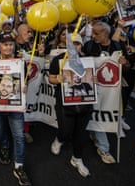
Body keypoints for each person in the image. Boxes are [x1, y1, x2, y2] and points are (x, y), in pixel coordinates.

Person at [82, 20, 130, 164]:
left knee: (103, 113)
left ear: (106, 33)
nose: (93, 36)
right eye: (93, 33)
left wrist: (124, 63)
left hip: (111, 90)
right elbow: (81, 66)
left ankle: (98, 139)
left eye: (97, 33)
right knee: (96, 114)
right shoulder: (89, 45)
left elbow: (127, 67)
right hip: (93, 87)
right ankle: (104, 147)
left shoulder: (118, 46)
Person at [0, 32, 31, 186]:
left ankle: (19, 166)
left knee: (19, 136)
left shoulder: (20, 61)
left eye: (10, 44)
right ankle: (5, 146)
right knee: (0, 130)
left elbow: (25, 80)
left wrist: (26, 86)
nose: (8, 47)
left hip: (15, 104)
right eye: (5, 44)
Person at [48, 33, 92, 177]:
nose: (74, 47)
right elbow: (51, 79)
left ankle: (77, 158)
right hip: (65, 102)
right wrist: (58, 79)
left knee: (81, 133)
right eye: (71, 44)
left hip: (85, 103)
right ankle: (59, 139)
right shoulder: (58, 60)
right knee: (66, 131)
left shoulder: (89, 60)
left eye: (77, 44)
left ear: (81, 46)